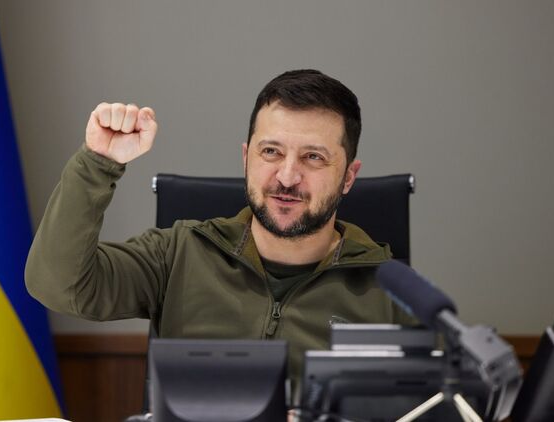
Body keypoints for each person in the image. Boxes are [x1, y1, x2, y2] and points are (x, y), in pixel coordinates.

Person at [25, 69, 416, 393]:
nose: (286, 176)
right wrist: (98, 163)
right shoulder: (179, 254)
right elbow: (57, 285)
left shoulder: (393, 296)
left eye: (313, 157)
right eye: (271, 151)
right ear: (246, 158)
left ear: (348, 177)